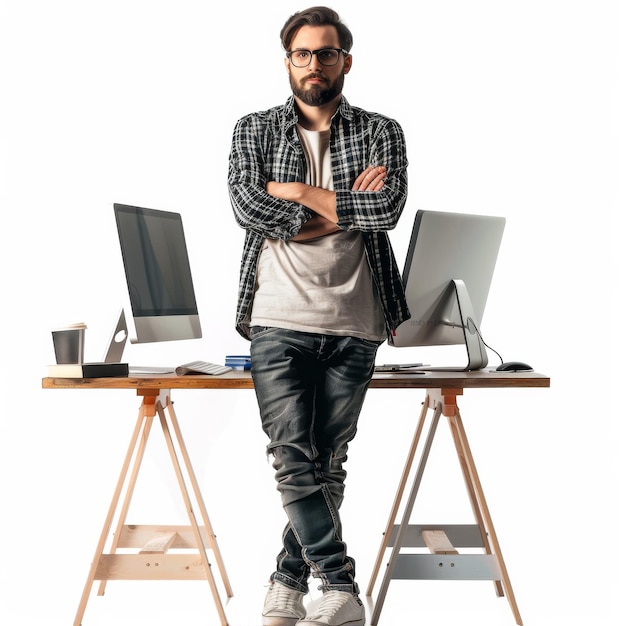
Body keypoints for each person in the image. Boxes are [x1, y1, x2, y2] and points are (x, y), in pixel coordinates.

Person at [227, 6, 410, 626]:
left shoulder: (383, 131)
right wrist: (342, 202)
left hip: (357, 318)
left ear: (345, 61)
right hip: (277, 317)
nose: (313, 65)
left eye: (325, 53)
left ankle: (286, 578)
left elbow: (383, 210)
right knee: (290, 456)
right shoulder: (253, 130)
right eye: (302, 54)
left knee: (328, 461)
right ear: (287, 61)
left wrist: (300, 193)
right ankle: (339, 582)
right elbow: (253, 211)